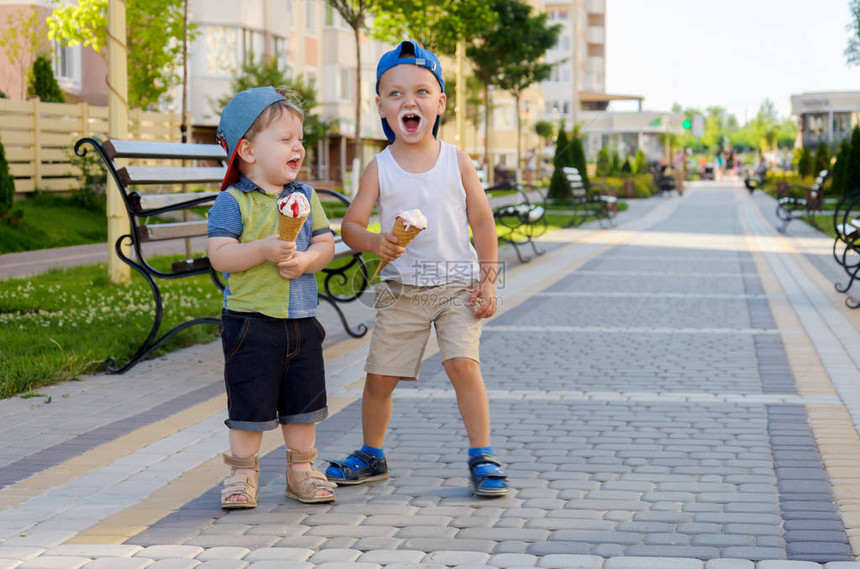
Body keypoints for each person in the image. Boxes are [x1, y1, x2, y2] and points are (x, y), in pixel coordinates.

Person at [325, 40, 508, 497]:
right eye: (396, 94)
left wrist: (487, 280)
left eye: (422, 92)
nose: (410, 101)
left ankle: (481, 454)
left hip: (456, 286)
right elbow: (350, 226)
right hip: (401, 289)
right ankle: (372, 454)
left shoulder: (456, 161)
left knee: (463, 365)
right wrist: (374, 241)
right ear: (381, 108)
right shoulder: (379, 168)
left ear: (440, 103)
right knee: (380, 377)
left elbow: (483, 222)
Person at [207, 86, 337, 508]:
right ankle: (242, 474)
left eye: (299, 139)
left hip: (301, 320)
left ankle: (301, 470)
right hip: (250, 323)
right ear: (247, 149)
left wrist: (308, 261)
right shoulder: (233, 202)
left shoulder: (306, 196)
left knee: (304, 402)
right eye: (284, 139)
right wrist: (262, 249)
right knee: (249, 402)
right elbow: (219, 254)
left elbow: (325, 242)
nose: (297, 147)